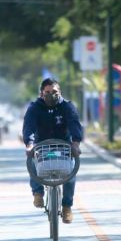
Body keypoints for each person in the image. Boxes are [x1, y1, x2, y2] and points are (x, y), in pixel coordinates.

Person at [23, 78, 83, 224]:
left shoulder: (67, 107)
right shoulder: (34, 107)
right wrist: (29, 144)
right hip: (42, 145)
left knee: (71, 169)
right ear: (41, 94)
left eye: (54, 92)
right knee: (32, 160)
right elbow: (29, 126)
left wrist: (76, 143)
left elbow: (75, 124)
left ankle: (67, 206)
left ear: (60, 92)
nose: (51, 95)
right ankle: (37, 192)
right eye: (48, 92)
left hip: (63, 145)